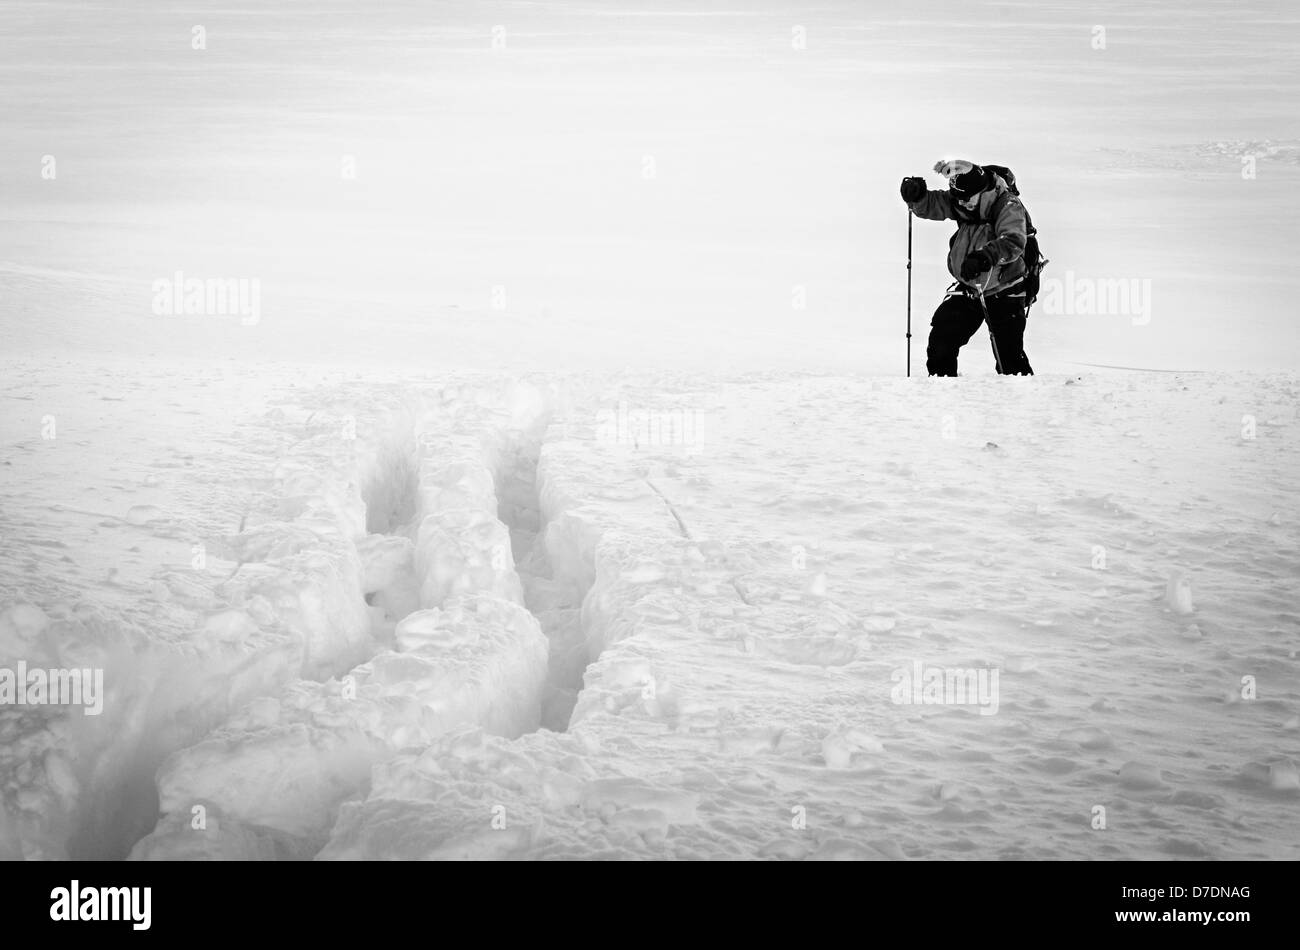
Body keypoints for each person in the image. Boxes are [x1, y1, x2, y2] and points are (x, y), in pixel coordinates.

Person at [900, 160, 1034, 376]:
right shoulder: (963, 199)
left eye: (968, 199)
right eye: (958, 200)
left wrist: (985, 257)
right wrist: (917, 197)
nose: (963, 204)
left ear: (981, 191)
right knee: (941, 341)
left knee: (1009, 358)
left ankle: (1020, 402)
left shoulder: (1007, 205)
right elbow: (935, 204)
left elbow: (1014, 242)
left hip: (1005, 289)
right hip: (970, 287)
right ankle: (941, 395)